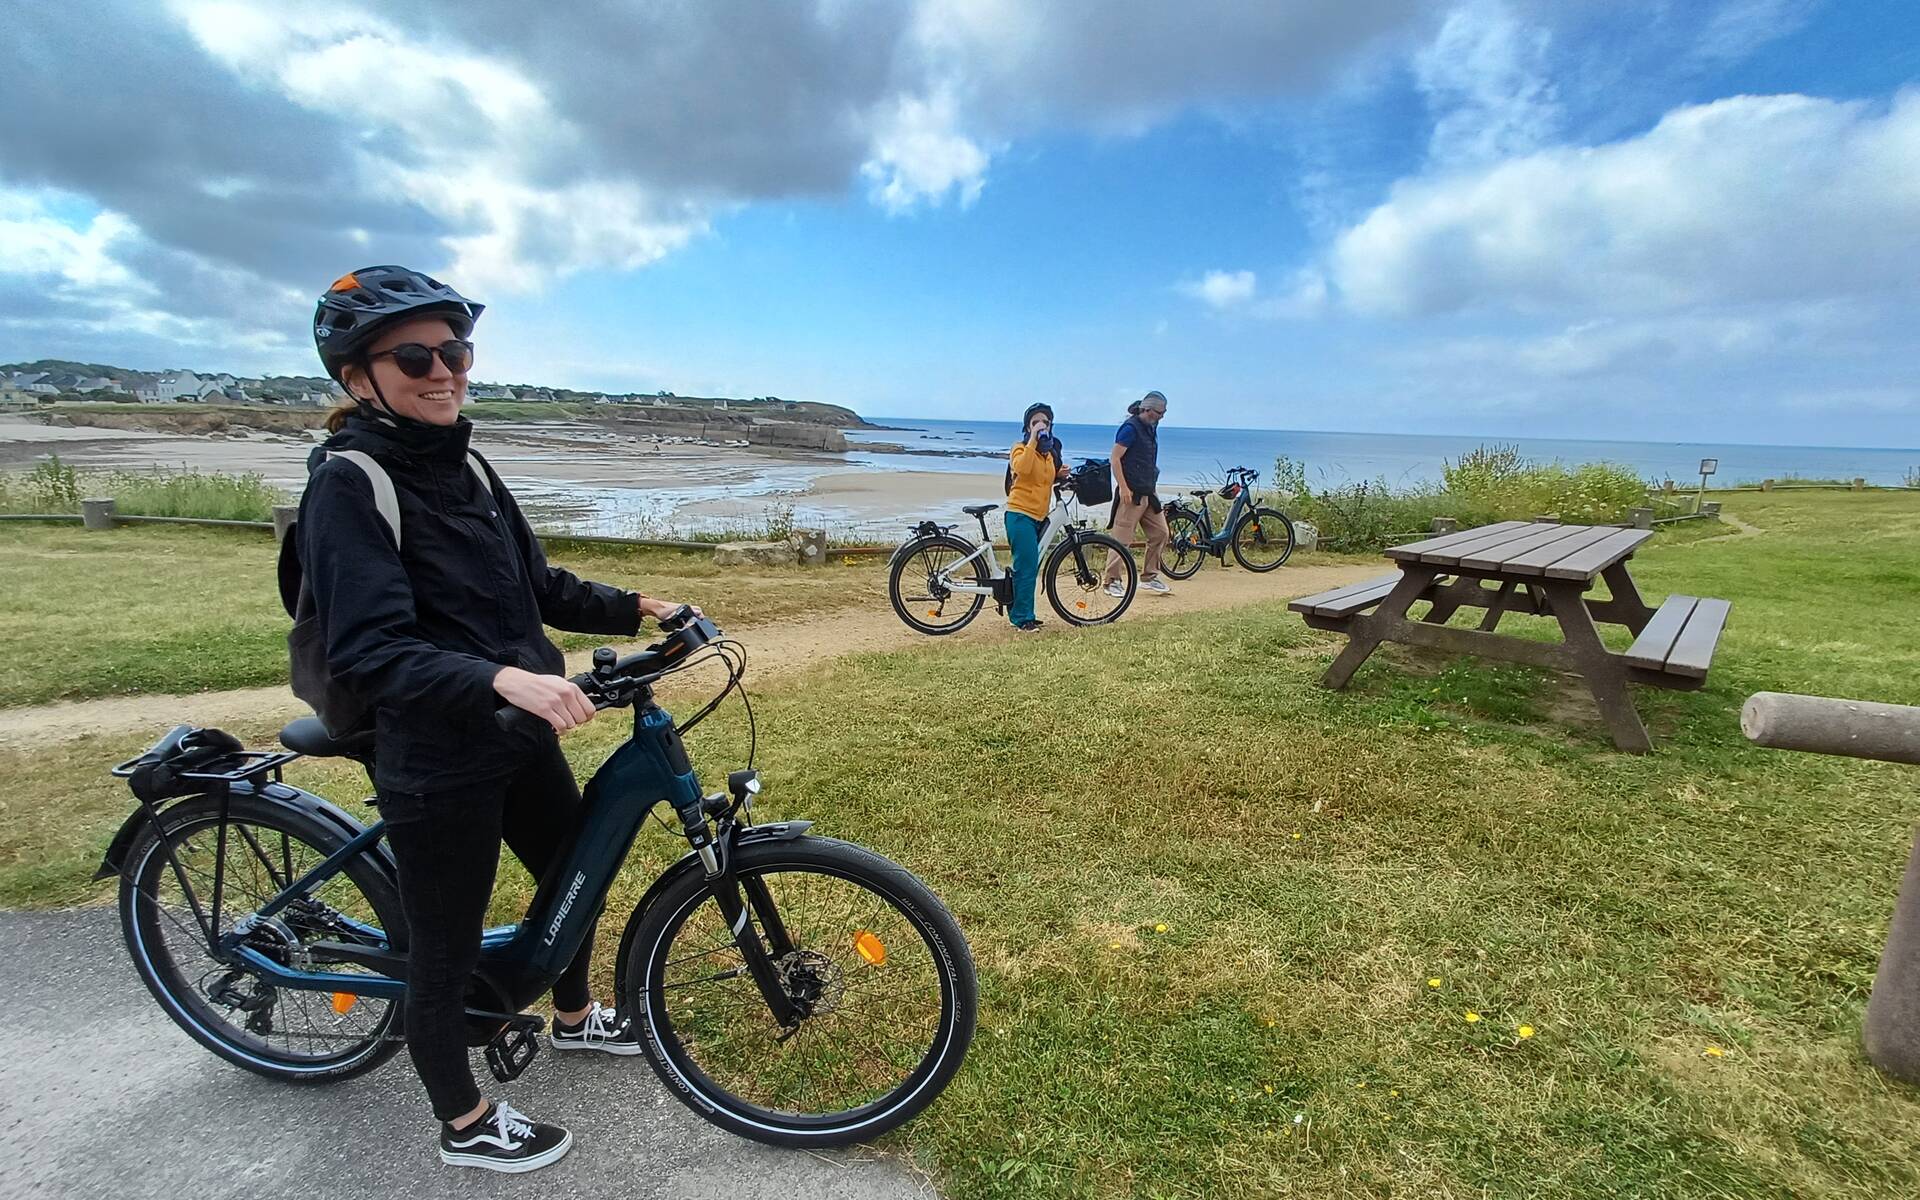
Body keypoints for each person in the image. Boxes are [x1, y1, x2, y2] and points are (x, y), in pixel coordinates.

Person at [301, 265, 700, 1173]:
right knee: (442, 948)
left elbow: (539, 587)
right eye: (415, 356)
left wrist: (642, 603)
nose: (444, 370)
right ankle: (465, 1120)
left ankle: (571, 1016)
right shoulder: (349, 485)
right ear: (359, 376)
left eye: (456, 350)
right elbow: (371, 651)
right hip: (434, 754)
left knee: (575, 875)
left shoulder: (468, 463)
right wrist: (503, 681)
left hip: (513, 738)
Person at [1005, 402, 1070, 631]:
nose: (1042, 426)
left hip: (1039, 516)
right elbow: (1022, 468)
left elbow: (1042, 480)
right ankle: (1023, 618)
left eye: (1046, 423)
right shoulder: (1020, 448)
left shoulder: (1049, 456)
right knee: (1027, 567)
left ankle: (1019, 609)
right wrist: (1033, 438)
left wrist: (1059, 474)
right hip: (1020, 514)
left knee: (1030, 566)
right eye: (1036, 423)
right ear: (1028, 426)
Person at [1105, 390, 1172, 597]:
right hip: (1131, 493)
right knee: (1121, 538)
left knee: (1161, 533)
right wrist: (1123, 487)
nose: (1162, 416)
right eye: (1160, 412)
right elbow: (1115, 459)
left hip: (1148, 492)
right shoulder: (1130, 428)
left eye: (1164, 412)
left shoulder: (1152, 427)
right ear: (1148, 410)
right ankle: (1111, 581)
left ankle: (1149, 576)